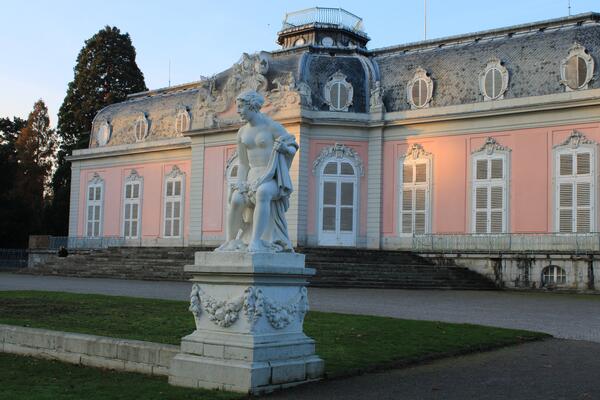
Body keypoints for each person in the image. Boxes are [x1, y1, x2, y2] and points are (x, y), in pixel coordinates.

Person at [217, 90, 298, 253]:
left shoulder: (272, 126)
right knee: (237, 198)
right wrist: (240, 183)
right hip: (251, 177)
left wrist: (284, 148)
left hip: (272, 179)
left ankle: (256, 241)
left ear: (252, 106)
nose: (238, 111)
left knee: (262, 193)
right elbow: (243, 164)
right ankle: (230, 241)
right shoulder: (242, 132)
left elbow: (293, 147)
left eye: (241, 107)